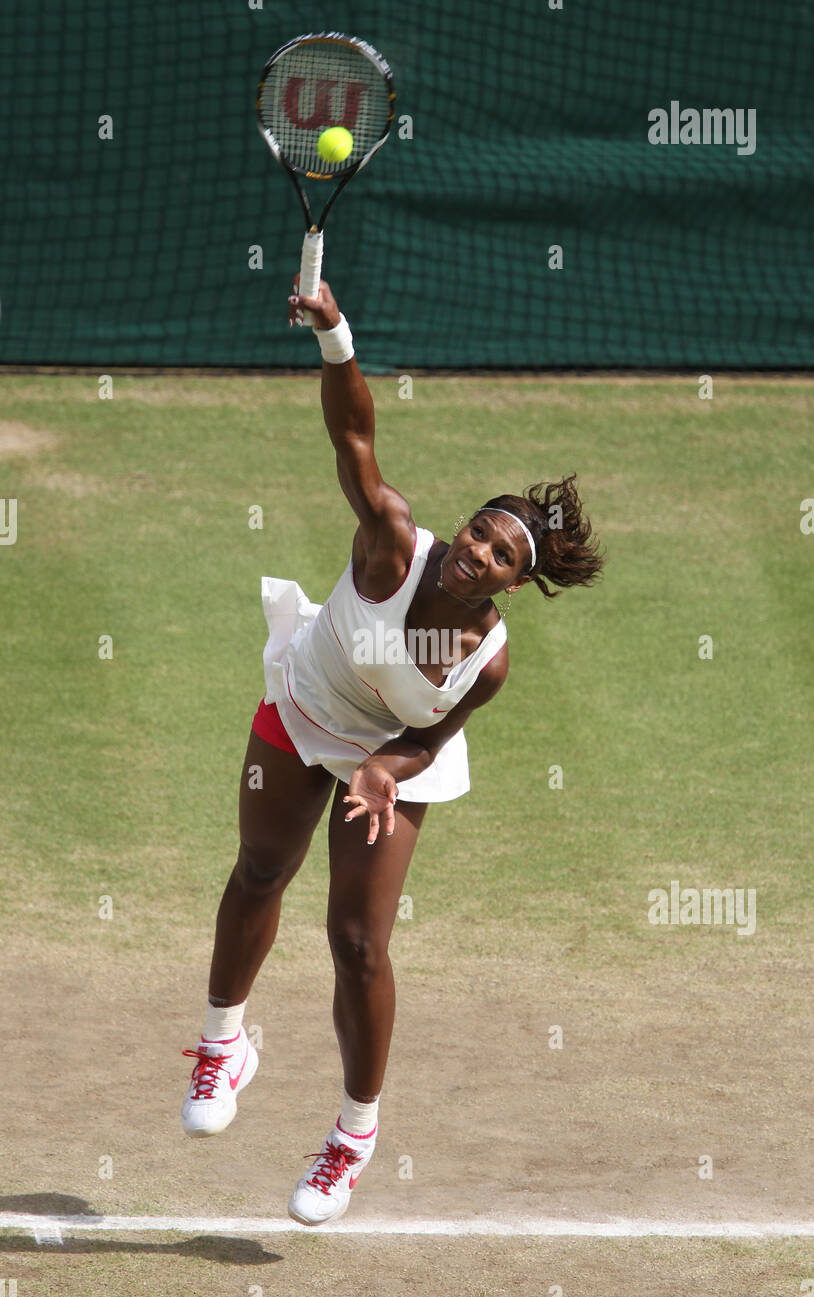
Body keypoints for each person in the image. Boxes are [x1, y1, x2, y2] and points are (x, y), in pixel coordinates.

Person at [181, 274, 604, 1226]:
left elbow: (429, 736)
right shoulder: (392, 540)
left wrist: (383, 770)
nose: (480, 551)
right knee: (258, 869)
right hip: (305, 704)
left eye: (501, 555)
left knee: (360, 941)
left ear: (514, 584)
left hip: (390, 757)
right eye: (483, 529)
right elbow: (355, 435)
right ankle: (223, 1043)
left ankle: (352, 1136)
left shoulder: (486, 661)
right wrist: (335, 332)